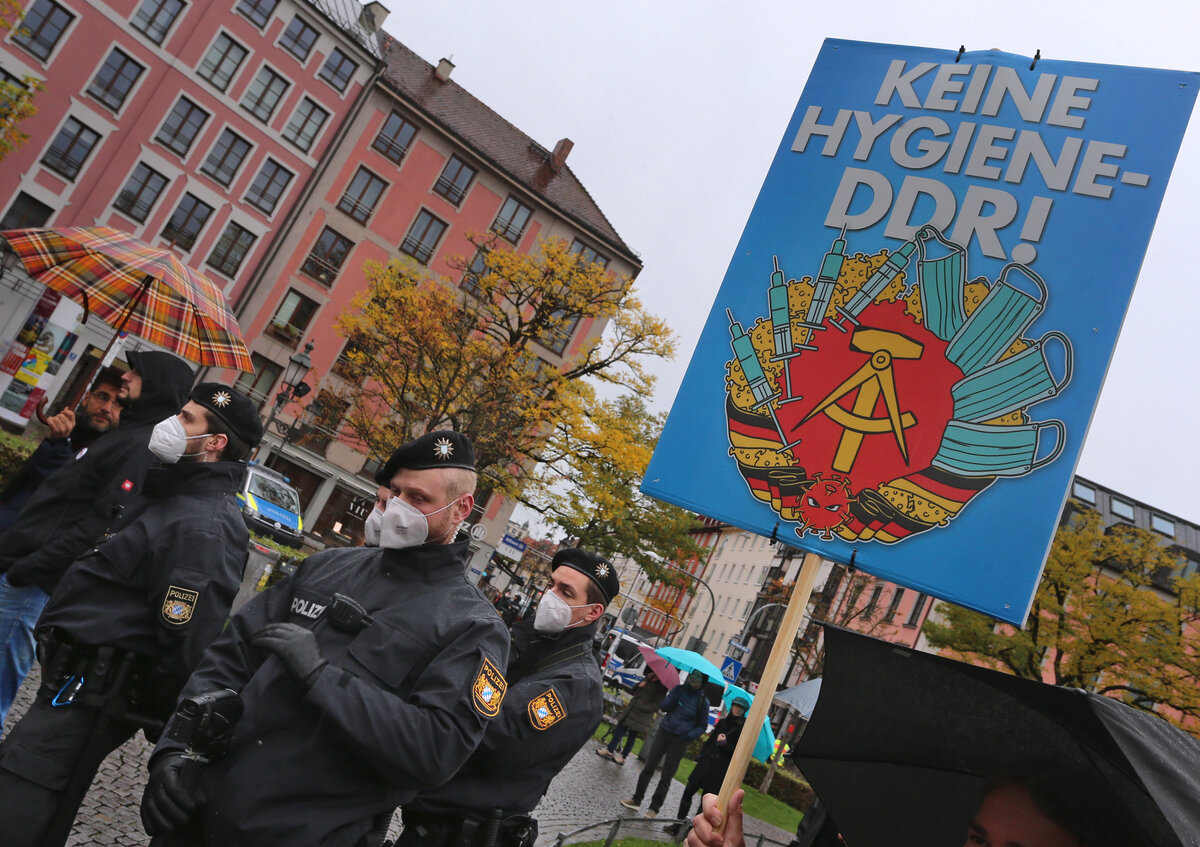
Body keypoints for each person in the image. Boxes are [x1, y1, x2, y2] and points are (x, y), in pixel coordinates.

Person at [140, 430, 512, 847]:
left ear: (461, 509)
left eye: (419, 499)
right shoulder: (327, 567)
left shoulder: (472, 627)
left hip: (303, 834)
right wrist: (173, 748)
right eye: (395, 493)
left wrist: (323, 679)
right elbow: (231, 654)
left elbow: (436, 751)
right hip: (198, 811)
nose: (398, 509)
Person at [0, 383, 264, 847]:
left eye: (186, 418)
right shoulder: (170, 496)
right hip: (71, 684)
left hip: (97, 692)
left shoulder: (204, 524)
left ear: (215, 442)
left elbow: (184, 638)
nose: (170, 424)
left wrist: (162, 721)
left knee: (19, 804)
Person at [0, 350, 193, 727]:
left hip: (33, 581)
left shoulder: (140, 445)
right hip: (23, 568)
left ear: (157, 385)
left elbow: (100, 523)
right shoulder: (124, 434)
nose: (126, 376)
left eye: (137, 372)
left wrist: (30, 568)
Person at [398, 547, 620, 847]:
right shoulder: (529, 642)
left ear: (593, 612)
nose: (549, 596)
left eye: (566, 592)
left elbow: (490, 739)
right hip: (430, 820)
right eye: (552, 584)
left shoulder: (575, 685)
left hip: (463, 834)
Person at [0, 365, 124, 532]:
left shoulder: (113, 454)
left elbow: (60, 492)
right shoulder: (68, 431)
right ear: (86, 398)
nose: (106, 408)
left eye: (117, 404)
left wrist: (59, 445)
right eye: (102, 397)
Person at [620, 668, 712, 817]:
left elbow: (702, 726)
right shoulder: (678, 690)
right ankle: (636, 799)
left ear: (702, 682)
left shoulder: (703, 702)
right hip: (664, 732)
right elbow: (664, 707)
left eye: (697, 676)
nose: (693, 678)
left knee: (666, 775)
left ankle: (654, 808)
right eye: (692, 675)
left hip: (680, 741)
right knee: (649, 767)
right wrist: (674, 698)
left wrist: (688, 736)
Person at [673, 696, 748, 827]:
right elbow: (710, 741)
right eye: (735, 705)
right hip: (705, 763)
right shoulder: (723, 723)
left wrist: (724, 744)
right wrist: (701, 754)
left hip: (718, 770)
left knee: (706, 801)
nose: (737, 709)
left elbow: (738, 755)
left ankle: (694, 829)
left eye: (740, 707)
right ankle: (679, 823)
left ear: (744, 710)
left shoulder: (742, 730)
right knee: (688, 790)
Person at [596, 667, 668, 764]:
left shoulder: (662, 687)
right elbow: (633, 689)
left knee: (632, 736)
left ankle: (623, 757)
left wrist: (642, 706)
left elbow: (657, 705)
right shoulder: (649, 677)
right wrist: (639, 685)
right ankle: (609, 750)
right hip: (630, 710)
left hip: (642, 716)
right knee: (619, 730)